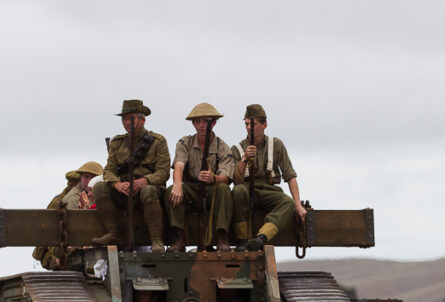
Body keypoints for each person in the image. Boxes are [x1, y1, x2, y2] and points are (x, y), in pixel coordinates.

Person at [91, 99, 170, 250]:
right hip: (125, 191)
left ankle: (156, 240)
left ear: (142, 119)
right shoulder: (117, 143)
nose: (127, 122)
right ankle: (113, 233)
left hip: (149, 193)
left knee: (148, 191)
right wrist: (117, 184)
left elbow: (163, 172)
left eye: (131, 118)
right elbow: (109, 170)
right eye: (124, 119)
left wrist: (145, 181)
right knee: (99, 187)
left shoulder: (157, 141)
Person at [230, 104, 306, 251]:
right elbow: (237, 181)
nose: (249, 128)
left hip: (268, 190)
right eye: (246, 124)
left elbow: (289, 175)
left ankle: (261, 238)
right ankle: (241, 240)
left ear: (264, 125)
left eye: (254, 124)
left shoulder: (276, 144)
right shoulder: (237, 149)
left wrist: (297, 204)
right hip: (246, 189)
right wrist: (244, 159)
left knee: (287, 203)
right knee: (238, 191)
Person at [166, 103, 235, 252]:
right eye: (198, 121)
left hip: (212, 188)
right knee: (171, 190)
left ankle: (222, 236)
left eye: (206, 121)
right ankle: (178, 238)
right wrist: (177, 184)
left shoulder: (223, 146)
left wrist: (214, 178)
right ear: (194, 124)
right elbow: (179, 165)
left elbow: (227, 176)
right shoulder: (185, 142)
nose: (202, 125)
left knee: (223, 189)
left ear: (214, 123)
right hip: (191, 187)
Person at [33, 161, 104, 269]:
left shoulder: (94, 194)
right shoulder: (74, 198)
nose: (89, 181)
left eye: (93, 178)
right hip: (71, 246)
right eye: (86, 177)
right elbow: (80, 228)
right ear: (80, 178)